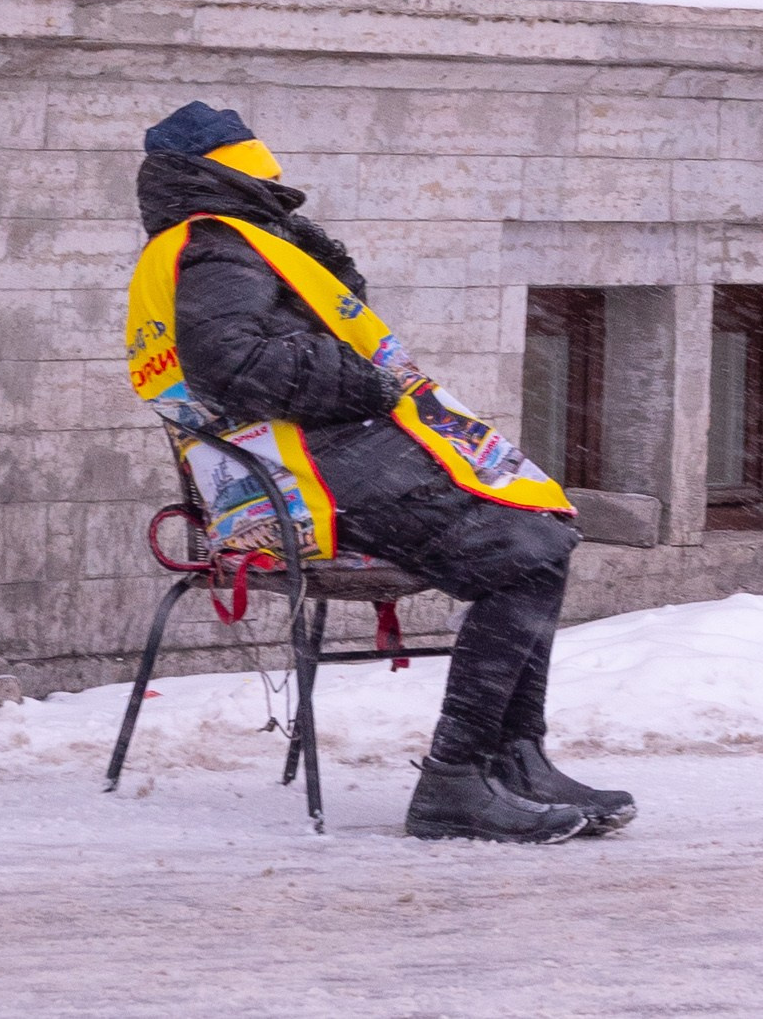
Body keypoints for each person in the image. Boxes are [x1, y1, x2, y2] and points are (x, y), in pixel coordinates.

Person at [128, 99, 634, 845]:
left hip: (337, 458)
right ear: (230, 171)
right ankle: (454, 781)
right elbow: (230, 364)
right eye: (257, 164)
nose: (273, 174)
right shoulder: (213, 247)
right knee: (521, 559)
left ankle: (513, 757)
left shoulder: (228, 241)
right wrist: (361, 379)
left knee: (542, 535)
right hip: (315, 472)